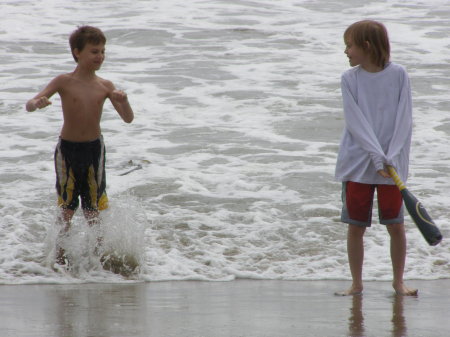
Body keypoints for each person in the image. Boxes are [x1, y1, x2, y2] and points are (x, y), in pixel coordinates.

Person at [26, 26, 134, 265]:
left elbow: (128, 118)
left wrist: (124, 102)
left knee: (93, 210)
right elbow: (30, 103)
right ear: (77, 52)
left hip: (94, 150)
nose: (100, 56)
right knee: (67, 209)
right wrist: (38, 103)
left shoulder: (106, 85)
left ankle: (97, 260)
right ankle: (59, 257)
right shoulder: (63, 81)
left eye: (103, 51)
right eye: (94, 51)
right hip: (67, 150)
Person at [334, 20, 417, 296]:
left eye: (350, 45)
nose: (346, 51)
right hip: (358, 163)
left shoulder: (399, 75)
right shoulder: (350, 79)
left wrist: (390, 156)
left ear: (367, 46)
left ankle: (398, 282)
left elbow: (404, 118)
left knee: (396, 225)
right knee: (356, 227)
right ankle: (357, 283)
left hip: (392, 164)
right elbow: (355, 122)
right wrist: (376, 156)